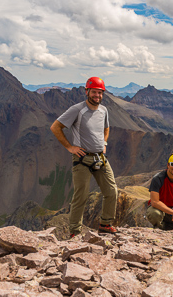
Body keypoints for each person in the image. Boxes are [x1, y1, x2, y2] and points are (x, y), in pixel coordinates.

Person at [50, 76, 118, 235]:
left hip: (100, 158)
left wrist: (104, 143)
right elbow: (55, 127)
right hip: (82, 159)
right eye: (94, 92)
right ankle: (75, 231)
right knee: (81, 196)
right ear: (87, 92)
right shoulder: (77, 109)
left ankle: (105, 224)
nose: (97, 96)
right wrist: (70, 147)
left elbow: (106, 128)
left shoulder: (104, 110)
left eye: (100, 93)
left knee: (111, 191)